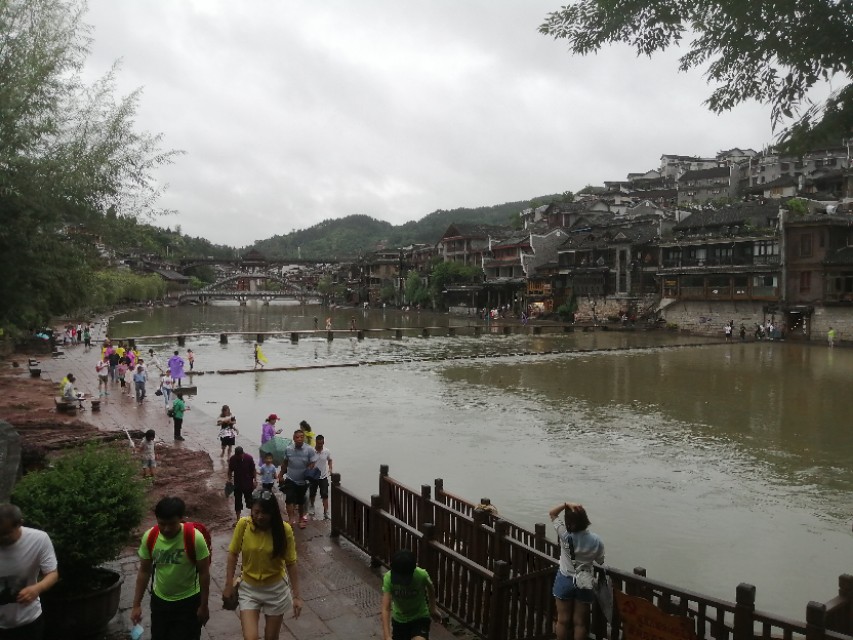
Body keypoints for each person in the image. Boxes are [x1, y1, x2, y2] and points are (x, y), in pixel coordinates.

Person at [223, 492, 302, 640]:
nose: (260, 516)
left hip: (275, 590)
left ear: (272, 512)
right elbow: (233, 554)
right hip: (249, 588)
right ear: (251, 510)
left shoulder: (284, 530)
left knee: (271, 637)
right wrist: (228, 584)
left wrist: (297, 596)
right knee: (250, 637)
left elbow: (291, 563)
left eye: (264, 512)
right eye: (256, 512)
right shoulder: (243, 525)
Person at [131, 497, 210, 640]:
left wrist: (204, 605)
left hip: (189, 602)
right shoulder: (150, 537)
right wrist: (136, 605)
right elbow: (144, 571)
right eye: (162, 524)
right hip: (160, 602)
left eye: (172, 524)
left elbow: (204, 573)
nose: (166, 529)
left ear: (180, 519)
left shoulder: (194, 538)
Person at [0, 504, 59, 640]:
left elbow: (52, 574)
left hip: (28, 621)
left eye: (5, 535)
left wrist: (37, 588)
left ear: (19, 524)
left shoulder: (39, 540)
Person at [548, 502, 605, 640]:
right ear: (585, 519)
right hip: (584, 581)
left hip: (565, 578)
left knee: (562, 620)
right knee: (580, 623)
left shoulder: (565, 536)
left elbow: (552, 513)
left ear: (569, 522)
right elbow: (600, 561)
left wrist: (566, 504)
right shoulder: (596, 540)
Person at [380, 549, 438, 640]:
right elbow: (386, 608)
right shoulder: (388, 578)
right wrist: (387, 636)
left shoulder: (421, 575)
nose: (402, 583)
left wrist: (433, 608)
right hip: (399, 620)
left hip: (420, 617)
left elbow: (431, 588)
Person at [278, 429, 318, 529]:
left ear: (303, 438)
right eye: (297, 437)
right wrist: (280, 475)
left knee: (301, 502)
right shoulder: (288, 449)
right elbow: (285, 463)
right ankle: (291, 519)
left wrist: (310, 468)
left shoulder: (309, 450)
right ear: (294, 438)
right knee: (289, 499)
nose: (299, 439)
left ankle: (301, 518)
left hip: (303, 480)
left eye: (301, 437)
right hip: (291, 478)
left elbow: (313, 462)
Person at [307, 434, 333, 520]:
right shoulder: (311, 451)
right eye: (318, 443)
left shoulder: (326, 451)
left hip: (323, 476)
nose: (320, 445)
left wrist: (330, 468)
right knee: (312, 493)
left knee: (325, 494)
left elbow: (329, 460)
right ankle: (312, 505)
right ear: (316, 442)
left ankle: (326, 512)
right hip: (313, 476)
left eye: (321, 444)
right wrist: (310, 465)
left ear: (323, 442)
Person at [228, 447, 257, 520]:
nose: (239, 457)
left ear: (242, 454)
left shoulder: (249, 458)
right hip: (237, 484)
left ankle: (252, 518)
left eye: (240, 456)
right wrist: (229, 479)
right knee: (237, 502)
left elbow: (253, 470)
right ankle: (238, 519)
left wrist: (255, 480)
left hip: (248, 483)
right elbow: (230, 470)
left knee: (250, 501)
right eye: (237, 456)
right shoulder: (233, 459)